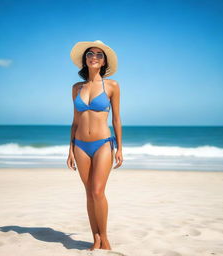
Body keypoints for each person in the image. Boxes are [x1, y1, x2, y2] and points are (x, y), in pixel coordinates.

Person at [67, 40, 123, 251]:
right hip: (80, 145)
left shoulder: (112, 86)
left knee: (98, 192)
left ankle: (105, 237)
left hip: (103, 144)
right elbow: (74, 121)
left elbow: (116, 119)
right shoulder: (76, 88)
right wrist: (70, 150)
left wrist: (120, 148)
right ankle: (96, 238)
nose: (94, 57)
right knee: (89, 193)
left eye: (99, 55)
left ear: (103, 62)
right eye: (90, 53)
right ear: (85, 59)